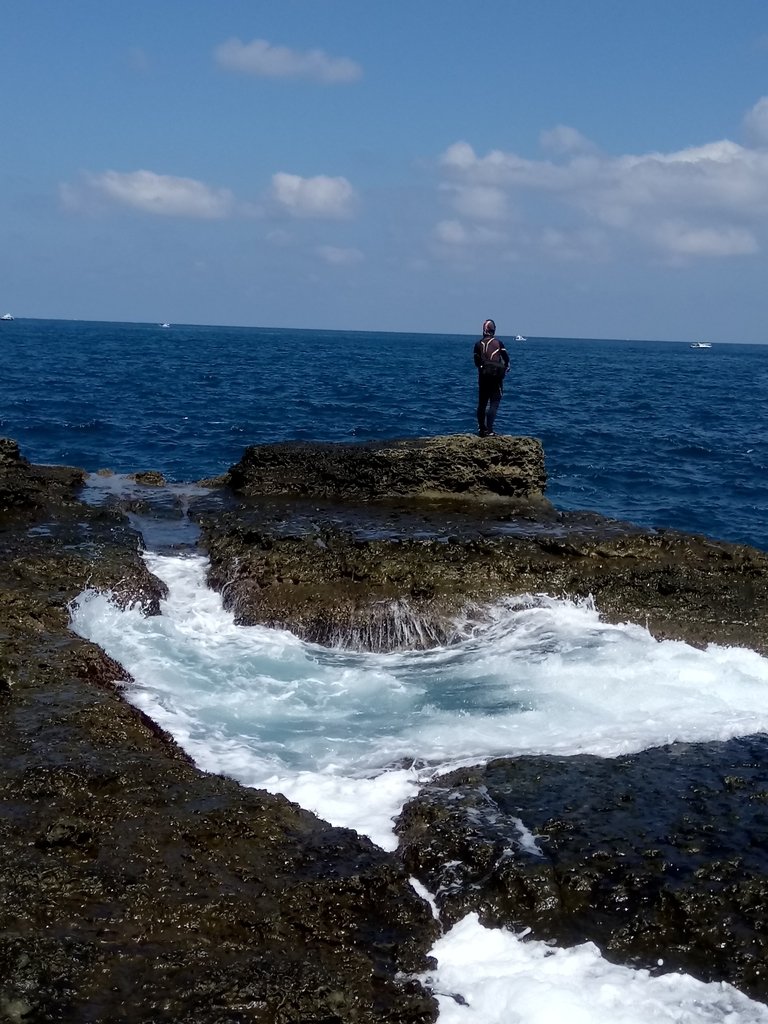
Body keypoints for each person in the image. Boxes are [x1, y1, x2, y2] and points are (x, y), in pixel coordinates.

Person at [473, 318, 509, 437]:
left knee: (482, 403)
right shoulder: (498, 343)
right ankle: (490, 430)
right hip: (496, 379)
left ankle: (482, 429)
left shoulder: (478, 345)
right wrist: (506, 366)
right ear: (493, 331)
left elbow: (476, 362)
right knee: (494, 402)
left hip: (483, 378)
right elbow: (506, 358)